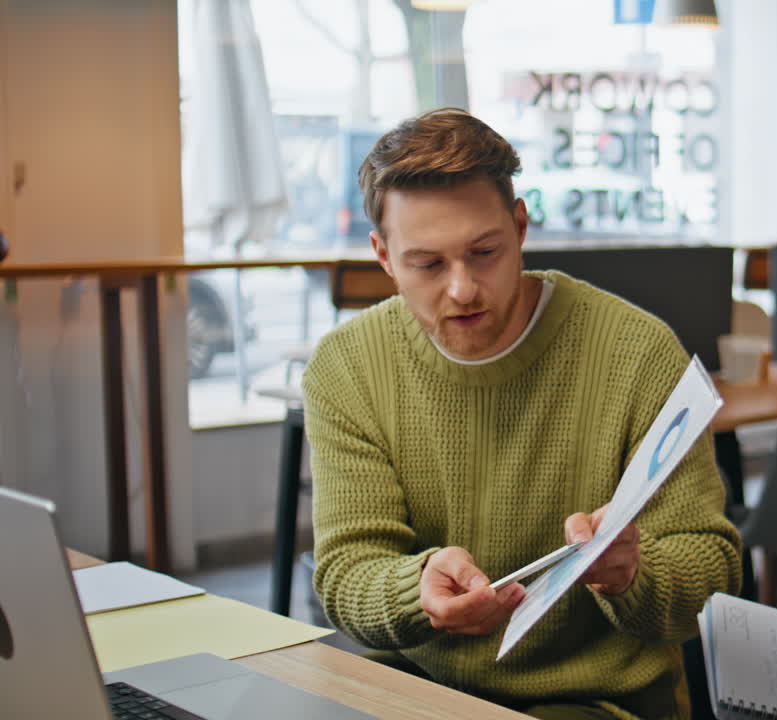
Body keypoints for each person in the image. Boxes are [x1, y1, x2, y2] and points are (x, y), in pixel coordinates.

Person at [302, 108, 741, 720]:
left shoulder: (636, 353)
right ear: (382, 256)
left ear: (520, 225)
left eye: (484, 252)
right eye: (427, 264)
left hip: (594, 699)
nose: (462, 289)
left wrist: (629, 573)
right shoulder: (348, 366)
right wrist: (416, 588)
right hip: (419, 687)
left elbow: (711, 574)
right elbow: (348, 572)